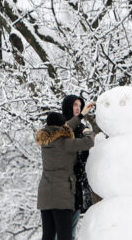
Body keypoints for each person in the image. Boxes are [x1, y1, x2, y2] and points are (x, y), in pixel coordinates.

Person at [36, 108, 95, 240]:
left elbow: (66, 127)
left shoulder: (45, 141)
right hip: (61, 195)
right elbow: (89, 142)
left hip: (45, 195)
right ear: (60, 127)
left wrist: (80, 116)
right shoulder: (65, 144)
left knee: (48, 235)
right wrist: (87, 131)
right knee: (65, 236)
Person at [61, 95, 95, 239]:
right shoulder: (60, 128)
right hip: (63, 185)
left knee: (71, 231)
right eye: (74, 104)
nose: (77, 107)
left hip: (78, 186)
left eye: (79, 105)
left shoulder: (83, 128)